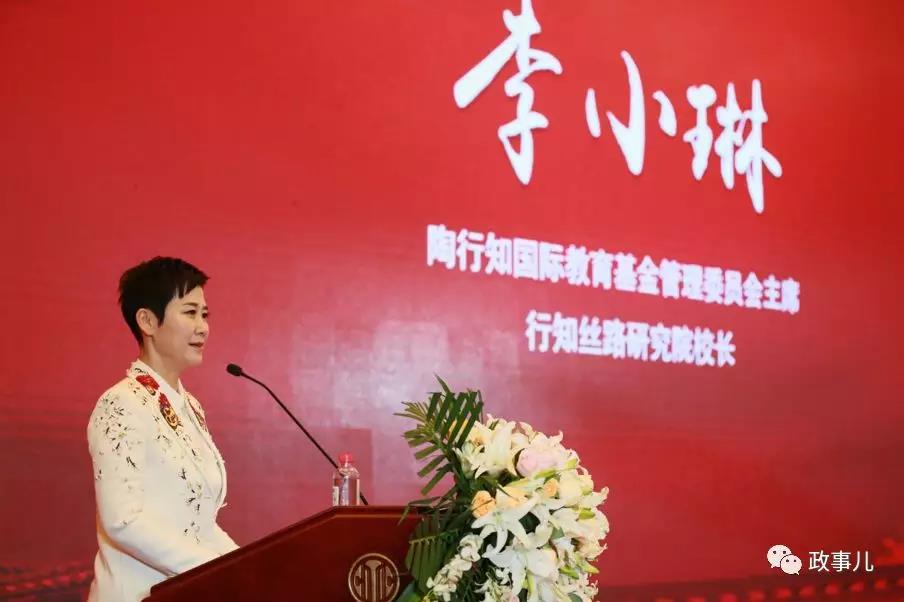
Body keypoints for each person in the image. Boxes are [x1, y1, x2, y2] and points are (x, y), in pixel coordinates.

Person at [86, 257, 238, 602]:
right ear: (147, 321)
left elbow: (198, 524)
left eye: (205, 314)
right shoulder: (120, 404)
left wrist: (250, 566)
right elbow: (122, 520)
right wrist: (215, 569)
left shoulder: (189, 406)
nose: (203, 327)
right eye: (190, 313)